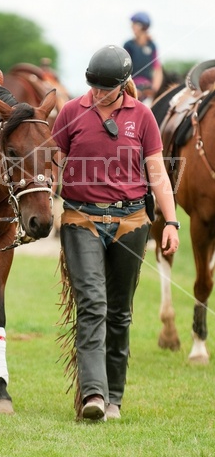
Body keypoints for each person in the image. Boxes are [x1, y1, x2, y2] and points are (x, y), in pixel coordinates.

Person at [52, 45, 179, 422]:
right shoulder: (71, 113)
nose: (99, 94)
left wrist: (170, 222)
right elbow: (51, 165)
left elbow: (157, 173)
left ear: (123, 85)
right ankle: (93, 394)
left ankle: (114, 399)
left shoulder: (141, 116)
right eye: (94, 86)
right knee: (93, 304)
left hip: (131, 223)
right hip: (81, 221)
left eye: (107, 88)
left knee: (120, 314)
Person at [123, 11, 163, 104]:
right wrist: (131, 89)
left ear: (142, 26)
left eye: (134, 24)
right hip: (131, 87)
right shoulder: (128, 45)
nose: (132, 27)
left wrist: (154, 89)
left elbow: (157, 69)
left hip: (147, 89)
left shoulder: (152, 46)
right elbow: (123, 70)